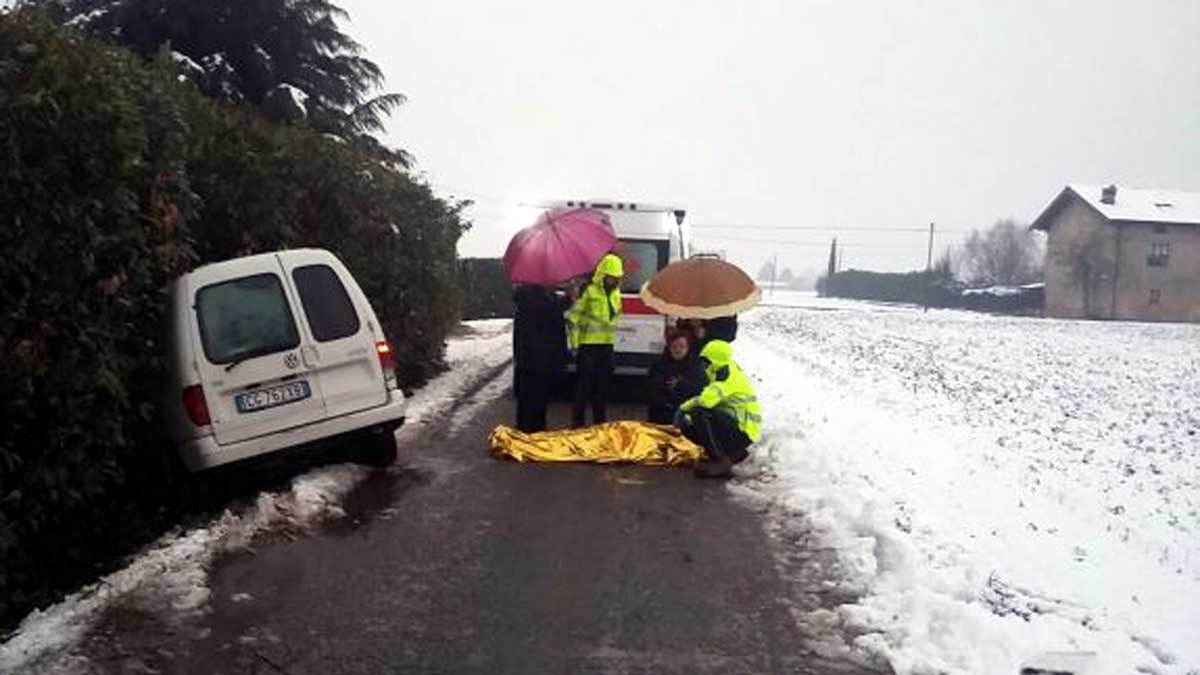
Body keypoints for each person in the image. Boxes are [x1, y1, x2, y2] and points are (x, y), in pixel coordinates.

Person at [674, 339, 761, 479]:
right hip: (737, 425)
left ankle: (720, 460)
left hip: (744, 430)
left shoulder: (724, 377)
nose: (703, 366)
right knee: (688, 425)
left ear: (715, 361)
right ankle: (732, 454)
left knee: (698, 413)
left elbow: (705, 401)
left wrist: (682, 409)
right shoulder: (723, 367)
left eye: (706, 362)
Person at [566, 253, 623, 427]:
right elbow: (573, 318)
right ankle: (578, 426)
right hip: (588, 347)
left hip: (606, 347)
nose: (613, 281)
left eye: (616, 278)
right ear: (603, 274)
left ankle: (600, 425)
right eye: (610, 277)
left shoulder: (616, 294)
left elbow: (614, 317)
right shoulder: (589, 292)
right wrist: (575, 344)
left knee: (602, 390)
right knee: (584, 389)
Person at [512, 284, 572, 432]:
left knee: (535, 397)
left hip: (532, 357)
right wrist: (568, 299)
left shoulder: (533, 296)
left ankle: (531, 429)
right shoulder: (534, 298)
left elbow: (551, 309)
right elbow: (549, 311)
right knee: (534, 398)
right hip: (536, 356)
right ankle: (531, 431)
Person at [646, 328, 706, 424]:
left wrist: (681, 385)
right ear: (669, 347)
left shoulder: (695, 366)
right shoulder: (658, 365)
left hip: (686, 416)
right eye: (674, 346)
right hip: (661, 415)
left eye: (682, 346)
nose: (678, 350)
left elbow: (700, 390)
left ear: (688, 348)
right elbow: (651, 390)